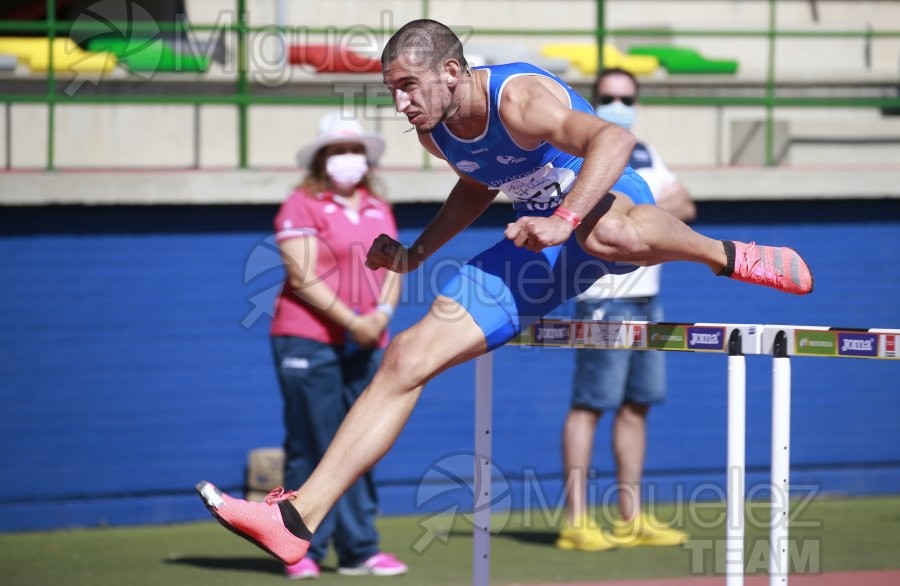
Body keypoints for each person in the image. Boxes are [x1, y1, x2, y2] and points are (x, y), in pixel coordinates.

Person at [195, 19, 813, 567]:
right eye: (392, 92)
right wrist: (414, 255)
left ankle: (728, 256)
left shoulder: (519, 99)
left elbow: (615, 142)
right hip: (539, 242)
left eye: (409, 86)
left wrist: (564, 219)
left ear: (452, 72)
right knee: (406, 356)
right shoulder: (436, 132)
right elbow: (476, 186)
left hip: (604, 208)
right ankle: (298, 517)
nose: (402, 103)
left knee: (607, 234)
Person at [557, 68, 696, 552]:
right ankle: (576, 519)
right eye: (610, 96)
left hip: (647, 295)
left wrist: (649, 212)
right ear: (593, 101)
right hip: (602, 296)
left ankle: (630, 516)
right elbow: (651, 209)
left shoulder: (646, 152)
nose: (620, 104)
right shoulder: (582, 150)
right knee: (590, 405)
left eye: (627, 97)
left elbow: (688, 210)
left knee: (637, 405)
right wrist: (654, 209)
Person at [267, 112, 406, 578]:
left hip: (365, 340)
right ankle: (301, 549)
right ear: (322, 159)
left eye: (355, 152)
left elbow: (393, 267)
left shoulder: (377, 207)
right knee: (313, 444)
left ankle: (360, 549)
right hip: (308, 338)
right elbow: (301, 276)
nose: (348, 160)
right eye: (339, 151)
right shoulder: (300, 205)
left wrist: (381, 316)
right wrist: (353, 322)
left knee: (361, 443)